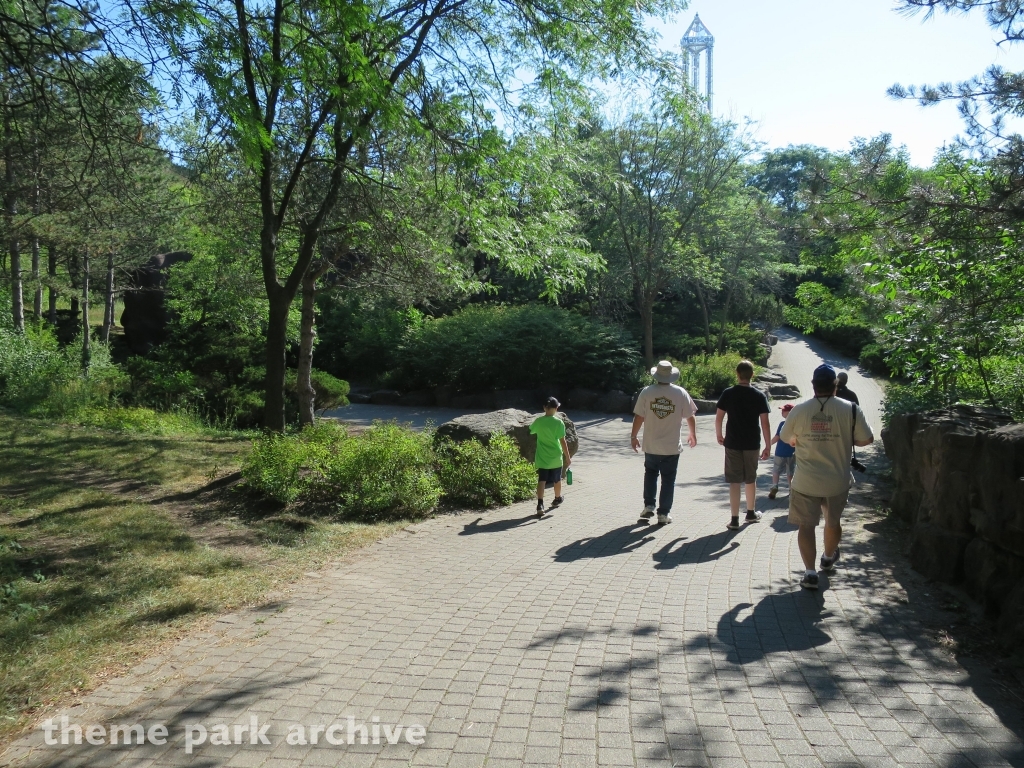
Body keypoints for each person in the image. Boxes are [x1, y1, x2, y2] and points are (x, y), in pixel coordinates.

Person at [780, 364, 874, 590]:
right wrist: (842, 440)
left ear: (813, 385)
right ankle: (828, 557)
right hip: (837, 481)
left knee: (806, 525)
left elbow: (786, 438)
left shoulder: (799, 410)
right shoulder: (850, 409)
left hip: (805, 481)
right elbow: (866, 440)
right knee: (833, 522)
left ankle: (810, 573)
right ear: (835, 385)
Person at [630, 360, 697, 525]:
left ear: (656, 375)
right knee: (668, 480)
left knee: (650, 474)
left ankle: (649, 505)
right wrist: (692, 434)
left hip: (651, 444)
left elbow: (639, 416)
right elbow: (690, 415)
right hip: (671, 446)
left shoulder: (647, 392)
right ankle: (663, 513)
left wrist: (633, 436)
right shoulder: (680, 393)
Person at [715, 360, 772, 530]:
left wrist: (719, 435)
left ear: (737, 374)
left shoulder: (728, 393)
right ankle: (750, 512)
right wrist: (768, 445)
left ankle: (734, 519)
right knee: (750, 478)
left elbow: (719, 417)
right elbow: (765, 423)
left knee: (734, 481)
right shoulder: (759, 395)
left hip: (732, 442)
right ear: (752, 375)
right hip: (752, 442)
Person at [530, 397, 572, 518]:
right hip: (555, 457)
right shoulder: (559, 423)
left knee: (542, 480)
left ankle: (540, 505)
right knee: (557, 479)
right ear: (556, 408)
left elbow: (531, 431)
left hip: (542, 456)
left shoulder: (539, 421)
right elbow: (563, 441)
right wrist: (568, 458)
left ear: (544, 408)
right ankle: (557, 498)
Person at [768, 403, 796, 500]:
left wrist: (768, 444)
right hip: (792, 453)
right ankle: (791, 488)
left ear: (790, 413)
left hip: (780, 452)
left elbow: (777, 437)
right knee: (790, 472)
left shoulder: (782, 424)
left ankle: (775, 486)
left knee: (776, 470)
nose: (782, 412)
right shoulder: (796, 425)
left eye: (784, 410)